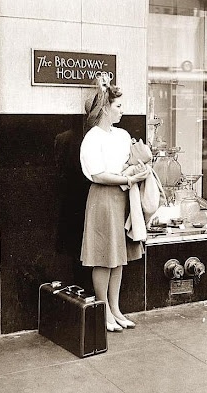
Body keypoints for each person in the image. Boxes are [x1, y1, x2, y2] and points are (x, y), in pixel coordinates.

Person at [80, 76, 150, 332]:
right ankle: (103, 309)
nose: (122, 110)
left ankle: (116, 308)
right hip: (103, 198)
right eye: (118, 106)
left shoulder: (122, 135)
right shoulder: (92, 138)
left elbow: (125, 164)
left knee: (119, 257)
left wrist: (137, 169)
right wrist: (128, 178)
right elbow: (98, 174)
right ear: (105, 108)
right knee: (103, 256)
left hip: (123, 196)